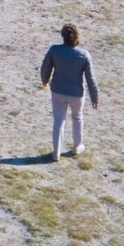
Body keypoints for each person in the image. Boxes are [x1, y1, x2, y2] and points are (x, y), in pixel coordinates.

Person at [39, 23, 99, 161]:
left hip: (58, 91)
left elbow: (45, 67)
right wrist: (95, 98)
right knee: (77, 118)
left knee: (59, 121)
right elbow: (91, 79)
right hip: (77, 93)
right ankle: (78, 146)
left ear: (63, 36)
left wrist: (45, 80)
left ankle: (56, 153)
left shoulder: (55, 50)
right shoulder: (84, 55)